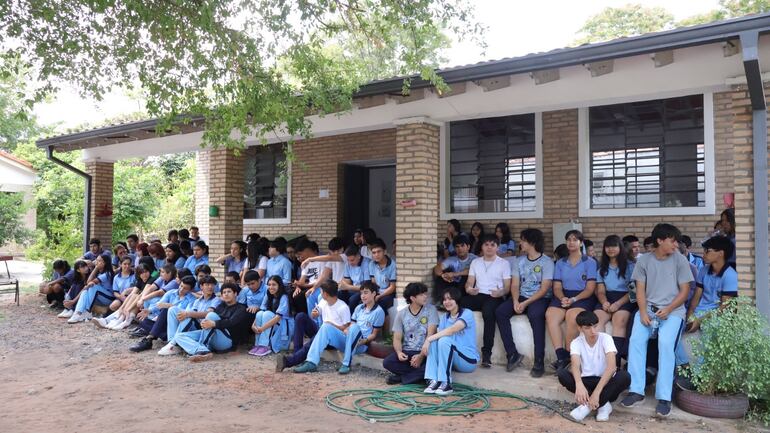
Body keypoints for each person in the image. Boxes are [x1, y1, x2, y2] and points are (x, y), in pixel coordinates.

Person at [620, 224, 694, 417]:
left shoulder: (680, 260)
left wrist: (669, 309)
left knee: (666, 344)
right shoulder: (644, 260)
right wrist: (643, 312)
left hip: (673, 311)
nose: (676, 245)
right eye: (672, 240)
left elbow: (685, 290)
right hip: (648, 310)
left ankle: (664, 397)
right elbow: (640, 289)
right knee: (636, 341)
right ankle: (636, 391)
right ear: (660, 240)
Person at [495, 228, 553, 376]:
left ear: (531, 242)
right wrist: (515, 301)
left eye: (522, 240)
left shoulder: (547, 262)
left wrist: (526, 303)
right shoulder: (518, 261)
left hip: (539, 298)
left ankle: (539, 361)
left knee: (535, 315)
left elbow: (545, 288)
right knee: (501, 312)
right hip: (521, 296)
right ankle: (512, 354)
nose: (520, 243)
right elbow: (515, 285)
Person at [557, 311, 631, 422]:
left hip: (606, 382)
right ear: (580, 328)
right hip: (587, 382)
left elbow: (611, 367)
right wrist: (579, 384)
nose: (593, 331)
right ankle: (604, 406)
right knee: (562, 374)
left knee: (624, 376)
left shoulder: (606, 338)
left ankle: (586, 407)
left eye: (595, 326)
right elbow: (575, 366)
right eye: (588, 328)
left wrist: (596, 394)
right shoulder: (576, 343)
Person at [546, 230, 597, 371]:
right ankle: (561, 356)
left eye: (575, 240)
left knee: (572, 316)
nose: (571, 242)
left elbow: (590, 288)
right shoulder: (561, 263)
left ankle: (569, 355)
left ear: (581, 243)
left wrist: (574, 299)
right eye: (569, 239)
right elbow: (556, 286)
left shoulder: (590, 262)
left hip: (582, 296)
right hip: (564, 295)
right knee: (550, 315)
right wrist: (563, 298)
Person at [277, 280, 352, 373]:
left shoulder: (343, 307)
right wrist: (314, 314)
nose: (320, 293)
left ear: (325, 293)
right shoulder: (323, 301)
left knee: (323, 330)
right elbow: (314, 314)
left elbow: (347, 329)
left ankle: (290, 361)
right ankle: (297, 354)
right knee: (300, 316)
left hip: (333, 339)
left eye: (321, 291)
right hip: (323, 331)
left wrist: (331, 325)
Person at [464, 233, 511, 368]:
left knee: (488, 313)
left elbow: (507, 287)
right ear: (482, 246)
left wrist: (500, 292)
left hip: (494, 296)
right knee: (459, 304)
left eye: (493, 245)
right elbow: (469, 282)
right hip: (478, 294)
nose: (489, 247)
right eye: (486, 244)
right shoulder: (475, 262)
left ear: (497, 247)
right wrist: (469, 289)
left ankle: (486, 354)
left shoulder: (504, 263)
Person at [174, 283, 251, 362]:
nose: (226, 294)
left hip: (227, 341)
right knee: (179, 336)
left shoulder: (241, 308)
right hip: (212, 336)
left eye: (229, 292)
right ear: (221, 296)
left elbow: (231, 322)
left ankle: (201, 348)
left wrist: (214, 323)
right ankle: (201, 350)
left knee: (211, 315)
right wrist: (206, 323)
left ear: (235, 294)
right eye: (224, 293)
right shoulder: (221, 306)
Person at [423, 287, 479, 395]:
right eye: (444, 299)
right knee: (436, 341)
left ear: (457, 299)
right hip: (453, 360)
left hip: (467, 361)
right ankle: (433, 380)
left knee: (442, 340)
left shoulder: (467, 313)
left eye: (450, 299)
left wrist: (428, 339)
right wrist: (430, 341)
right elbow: (439, 338)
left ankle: (446, 383)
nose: (446, 302)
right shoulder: (444, 317)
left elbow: (452, 330)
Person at [383, 282, 439, 385]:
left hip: (426, 352)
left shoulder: (431, 310)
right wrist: (399, 353)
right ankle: (418, 377)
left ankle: (402, 378)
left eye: (425, 294)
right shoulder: (401, 314)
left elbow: (430, 335)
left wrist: (421, 356)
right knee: (387, 362)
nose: (425, 296)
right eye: (422, 294)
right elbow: (397, 338)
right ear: (413, 298)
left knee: (434, 364)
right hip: (408, 352)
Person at [593, 235, 636, 367]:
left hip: (625, 298)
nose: (611, 249)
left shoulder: (630, 266)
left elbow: (633, 291)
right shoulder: (602, 268)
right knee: (596, 321)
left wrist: (618, 304)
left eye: (614, 246)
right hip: (607, 297)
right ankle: (599, 358)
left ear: (620, 248)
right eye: (608, 246)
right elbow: (600, 291)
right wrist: (604, 302)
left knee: (619, 320)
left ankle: (615, 362)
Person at [129, 275, 197, 352]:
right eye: (181, 286)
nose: (181, 289)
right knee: (144, 322)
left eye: (185, 288)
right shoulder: (171, 293)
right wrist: (149, 310)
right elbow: (159, 304)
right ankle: (165, 335)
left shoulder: (192, 300)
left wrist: (170, 306)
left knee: (165, 310)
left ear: (191, 290)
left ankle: (149, 339)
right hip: (166, 325)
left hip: (178, 326)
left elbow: (186, 314)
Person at [157, 275, 221, 356]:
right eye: (207, 284)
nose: (210, 287)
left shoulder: (216, 300)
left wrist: (187, 314)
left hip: (206, 328)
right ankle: (171, 342)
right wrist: (186, 314)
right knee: (173, 309)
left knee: (188, 316)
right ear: (201, 286)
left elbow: (207, 314)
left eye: (212, 285)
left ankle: (172, 344)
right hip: (195, 326)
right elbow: (192, 313)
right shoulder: (197, 301)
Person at [685, 235, 737, 333]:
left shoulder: (730, 275)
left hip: (717, 318)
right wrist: (690, 317)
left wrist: (699, 321)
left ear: (721, 253)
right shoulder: (703, 270)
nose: (703, 254)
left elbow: (724, 307)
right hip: (699, 313)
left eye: (707, 251)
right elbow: (695, 300)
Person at [338, 281, 385, 374]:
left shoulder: (379, 312)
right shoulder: (359, 307)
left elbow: (374, 334)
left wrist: (365, 340)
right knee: (326, 327)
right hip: (349, 339)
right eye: (361, 293)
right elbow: (351, 324)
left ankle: (346, 364)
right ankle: (312, 360)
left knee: (355, 327)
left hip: (361, 344)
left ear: (374, 294)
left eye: (366, 292)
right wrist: (346, 330)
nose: (363, 296)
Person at [249, 276, 294, 356]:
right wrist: (253, 325)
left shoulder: (284, 297)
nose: (271, 287)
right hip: (273, 323)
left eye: (274, 285)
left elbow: (278, 317)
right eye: (269, 285)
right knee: (260, 313)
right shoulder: (268, 295)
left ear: (279, 286)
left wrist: (262, 328)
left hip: (283, 324)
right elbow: (261, 310)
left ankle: (264, 345)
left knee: (267, 314)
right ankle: (258, 344)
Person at [67, 254, 115, 324]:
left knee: (93, 286)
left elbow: (89, 282)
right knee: (85, 291)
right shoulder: (100, 273)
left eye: (99, 261)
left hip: (108, 299)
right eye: (97, 260)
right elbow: (88, 283)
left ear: (104, 263)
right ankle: (77, 313)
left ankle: (87, 311)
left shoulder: (107, 274)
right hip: (100, 297)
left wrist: (95, 268)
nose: (96, 262)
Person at [433, 235, 476, 306]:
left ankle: (458, 303)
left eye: (462, 246)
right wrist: (443, 275)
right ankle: (441, 302)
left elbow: (473, 271)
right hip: (454, 285)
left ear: (468, 247)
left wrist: (454, 274)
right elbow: (437, 269)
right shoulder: (451, 259)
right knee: (440, 279)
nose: (460, 249)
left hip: (466, 287)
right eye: (457, 246)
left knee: (465, 277)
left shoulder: (474, 259)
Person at [362, 238, 397, 314]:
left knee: (381, 304)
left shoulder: (393, 265)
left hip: (388, 293)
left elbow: (392, 287)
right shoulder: (371, 264)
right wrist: (373, 294)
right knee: (361, 302)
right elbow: (373, 282)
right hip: (377, 291)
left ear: (384, 251)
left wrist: (379, 296)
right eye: (374, 253)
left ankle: (381, 325)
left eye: (379, 252)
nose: (376, 255)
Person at [293, 240, 326, 315]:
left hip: (320, 286)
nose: (299, 258)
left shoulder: (322, 261)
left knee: (307, 295)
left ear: (307, 250)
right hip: (309, 286)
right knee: (294, 295)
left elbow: (322, 280)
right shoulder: (306, 263)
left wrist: (303, 285)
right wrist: (298, 286)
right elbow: (302, 281)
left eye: (300, 254)